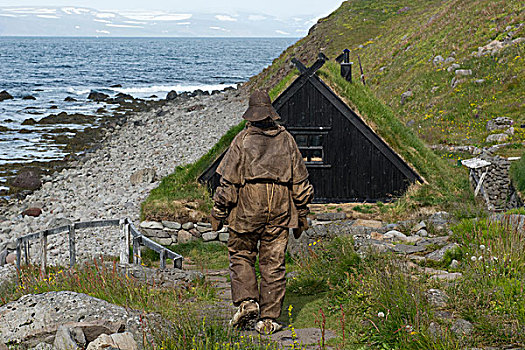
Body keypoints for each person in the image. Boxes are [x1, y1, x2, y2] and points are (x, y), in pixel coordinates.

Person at [210, 89, 314, 335]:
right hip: (280, 207)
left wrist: (218, 211)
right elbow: (300, 182)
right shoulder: (286, 139)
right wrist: (302, 213)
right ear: (270, 114)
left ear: (251, 115)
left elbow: (228, 184)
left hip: (248, 206)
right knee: (273, 263)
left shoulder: (242, 141)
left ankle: (247, 303)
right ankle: (268, 319)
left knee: (241, 253)